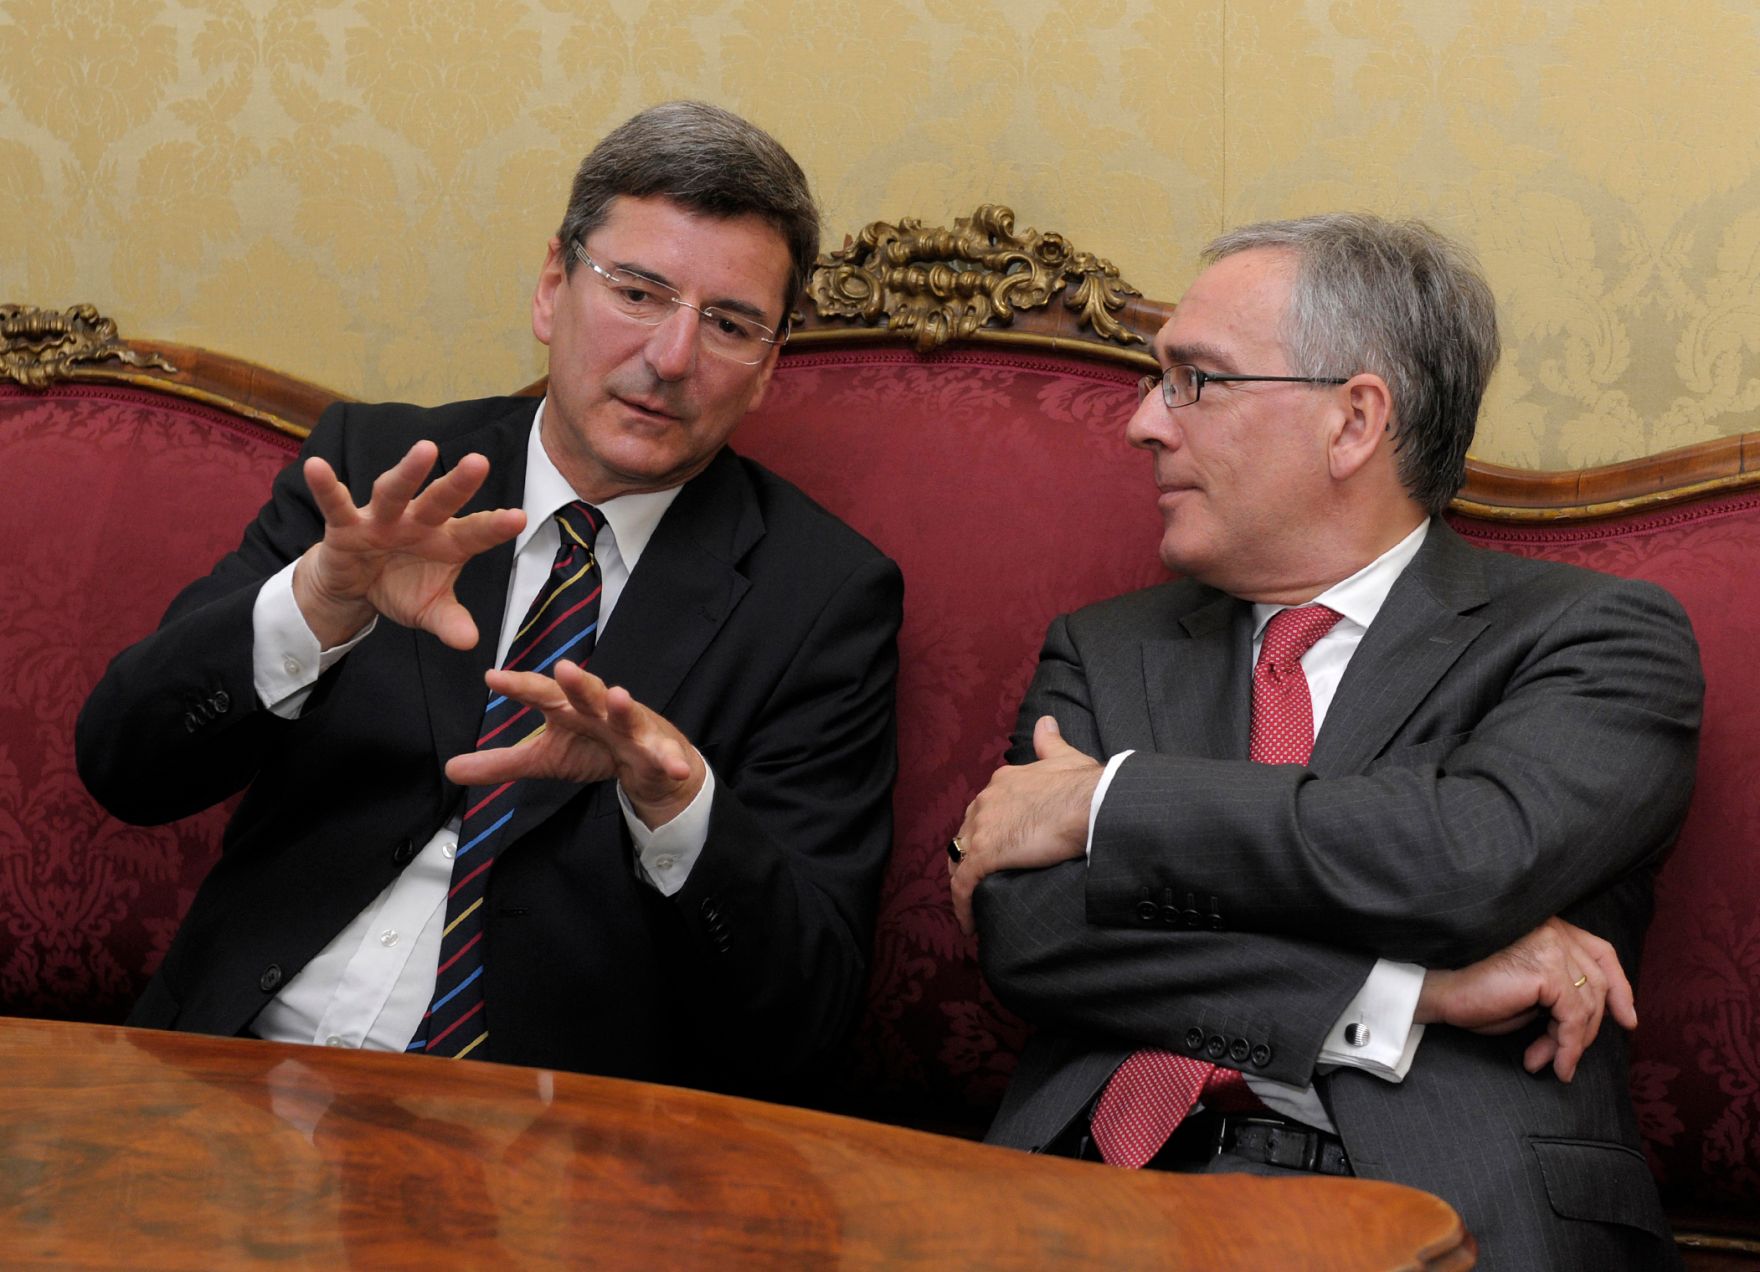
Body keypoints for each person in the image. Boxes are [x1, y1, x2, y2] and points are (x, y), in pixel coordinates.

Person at [77, 101, 902, 1100]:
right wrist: (318, 607)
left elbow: (802, 1020)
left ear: (768, 368)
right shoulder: (376, 470)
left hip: (536, 1164)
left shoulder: (819, 599)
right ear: (553, 286)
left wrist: (676, 809)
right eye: (638, 292)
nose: (673, 358)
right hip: (226, 1074)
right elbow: (125, 764)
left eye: (728, 324)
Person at [947, 214, 1699, 1269]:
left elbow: (1461, 855)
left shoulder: (1592, 638)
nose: (1142, 424)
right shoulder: (1107, 649)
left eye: (1194, 380)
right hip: (1086, 1197)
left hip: (1445, 1216)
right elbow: (1029, 927)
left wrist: (1105, 803)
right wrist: (1409, 992)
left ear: (1352, 421)